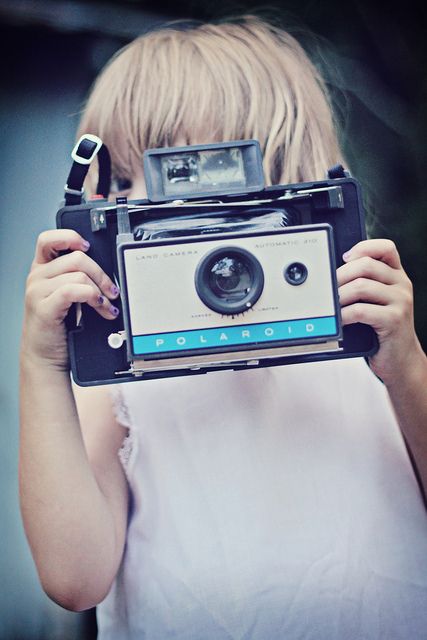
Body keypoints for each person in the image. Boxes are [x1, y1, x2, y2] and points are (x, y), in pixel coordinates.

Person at [19, 15, 427, 640]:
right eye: (126, 185)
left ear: (295, 180)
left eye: (188, 179)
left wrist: (407, 365)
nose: (157, 213)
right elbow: (75, 578)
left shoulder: (366, 339)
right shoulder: (121, 368)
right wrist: (44, 365)